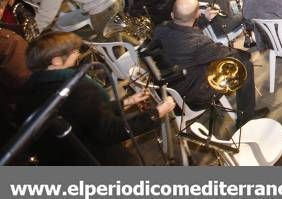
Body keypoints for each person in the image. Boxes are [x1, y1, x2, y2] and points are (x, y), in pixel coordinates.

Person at [17, 32, 174, 165]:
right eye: (73, 51)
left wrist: (126, 102)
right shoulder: (77, 88)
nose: (78, 54)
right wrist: (156, 113)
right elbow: (110, 131)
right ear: (56, 61)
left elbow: (84, 115)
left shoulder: (28, 92)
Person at [152, 0, 265, 129]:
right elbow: (226, 53)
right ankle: (246, 119)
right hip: (192, 99)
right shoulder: (198, 43)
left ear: (172, 14)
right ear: (197, 13)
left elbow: (183, 30)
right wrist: (246, 55)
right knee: (244, 64)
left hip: (167, 93)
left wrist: (204, 20)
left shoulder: (160, 29)